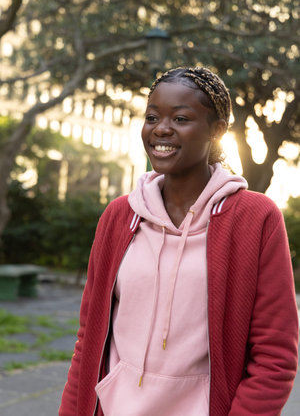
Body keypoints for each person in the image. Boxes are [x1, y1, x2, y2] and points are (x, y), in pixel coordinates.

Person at [59, 67, 298, 416]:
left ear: (217, 130)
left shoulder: (255, 218)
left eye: (181, 118)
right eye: (152, 116)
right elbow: (89, 340)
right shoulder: (119, 216)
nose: (161, 129)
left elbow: (275, 356)